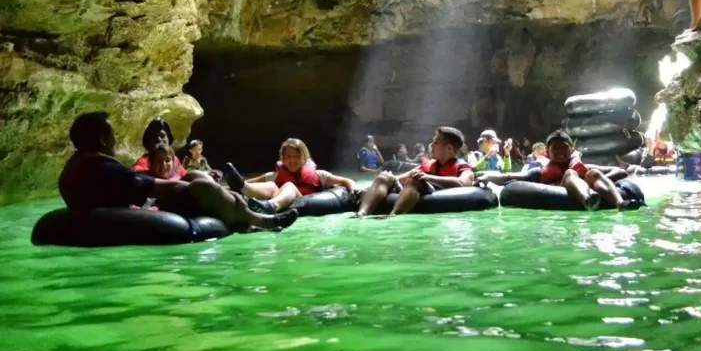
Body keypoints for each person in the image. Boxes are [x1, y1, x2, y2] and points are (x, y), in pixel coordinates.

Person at [58, 112, 298, 231]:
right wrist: (186, 186)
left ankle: (242, 205)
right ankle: (259, 220)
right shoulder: (99, 166)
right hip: (130, 216)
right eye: (112, 135)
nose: (115, 140)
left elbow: (134, 183)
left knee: (194, 177)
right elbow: (147, 185)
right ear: (102, 139)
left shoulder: (78, 164)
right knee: (198, 184)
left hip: (124, 208)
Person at [476, 130, 641, 211]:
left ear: (572, 149)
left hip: (592, 190)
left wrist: (592, 183)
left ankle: (620, 203)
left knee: (594, 173)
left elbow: (620, 172)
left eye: (565, 148)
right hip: (561, 193)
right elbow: (511, 176)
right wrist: (488, 177)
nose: (561, 153)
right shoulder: (540, 172)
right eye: (556, 149)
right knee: (570, 174)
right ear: (547, 152)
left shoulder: (583, 167)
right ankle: (588, 200)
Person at [355, 126, 475, 218]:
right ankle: (361, 213)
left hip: (432, 191)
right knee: (385, 176)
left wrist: (427, 177)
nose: (431, 145)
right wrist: (373, 187)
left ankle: (392, 216)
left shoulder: (463, 167)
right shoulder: (429, 164)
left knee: (416, 179)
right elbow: (401, 178)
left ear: (449, 148)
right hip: (411, 189)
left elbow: (463, 183)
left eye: (436, 142)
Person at [223, 138, 355, 213]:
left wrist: (353, 192)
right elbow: (252, 181)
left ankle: (272, 206)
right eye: (288, 157)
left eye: (297, 156)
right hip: (277, 196)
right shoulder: (275, 175)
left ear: (305, 157)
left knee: (289, 185)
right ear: (283, 159)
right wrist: (228, 187)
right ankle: (243, 189)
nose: (293, 160)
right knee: (269, 184)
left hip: (301, 201)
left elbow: (345, 180)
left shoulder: (320, 175)